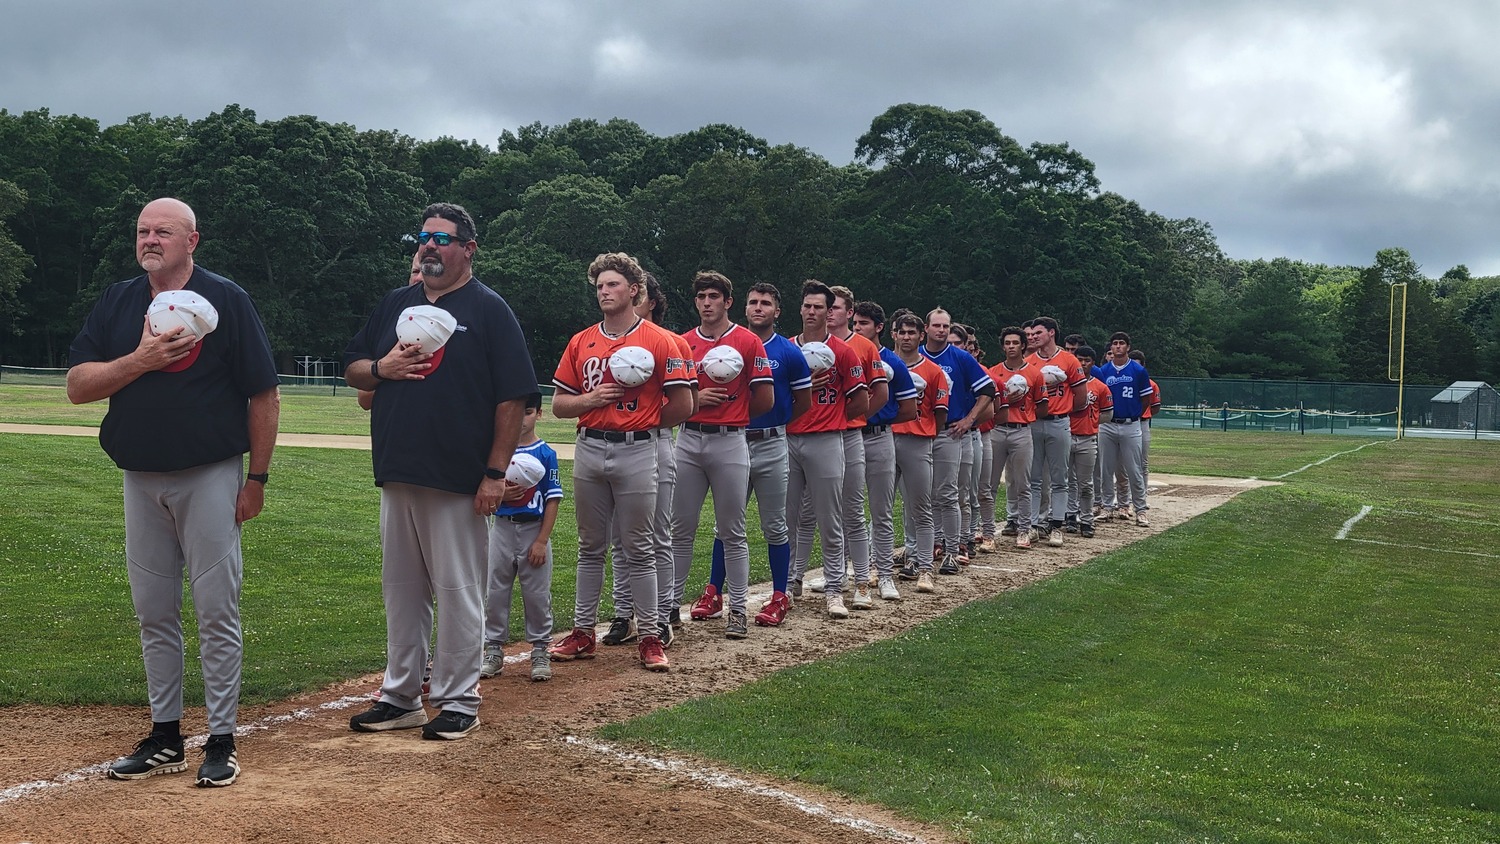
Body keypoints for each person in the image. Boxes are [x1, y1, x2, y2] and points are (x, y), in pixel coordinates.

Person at [69, 197, 280, 787]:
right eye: (142, 230)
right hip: (140, 477)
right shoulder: (118, 300)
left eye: (163, 231)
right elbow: (78, 386)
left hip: (209, 473)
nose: (150, 239)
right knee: (154, 612)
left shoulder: (227, 299)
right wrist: (139, 359)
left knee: (217, 610)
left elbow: (263, 394)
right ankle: (166, 736)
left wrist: (256, 479)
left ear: (193, 240)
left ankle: (221, 739)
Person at [344, 202, 537, 741]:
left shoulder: (489, 309)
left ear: (467, 249)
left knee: (457, 589)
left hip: (458, 476)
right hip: (398, 469)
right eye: (424, 237)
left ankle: (458, 697)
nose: (430, 245)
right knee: (401, 590)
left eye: (442, 239)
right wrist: (385, 368)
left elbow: (512, 398)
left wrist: (495, 472)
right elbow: (356, 366)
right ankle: (401, 695)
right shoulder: (395, 304)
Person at [550, 253, 694, 670]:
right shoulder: (581, 341)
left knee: (639, 548)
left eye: (612, 284)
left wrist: (641, 422)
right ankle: (582, 632)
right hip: (590, 446)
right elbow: (560, 404)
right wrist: (590, 401)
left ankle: (650, 635)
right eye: (599, 286)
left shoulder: (659, 340)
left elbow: (683, 405)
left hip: (637, 448)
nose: (604, 292)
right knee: (590, 546)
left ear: (634, 290)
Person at [695, 282, 812, 627]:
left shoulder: (789, 352)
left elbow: (801, 402)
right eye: (753, 303)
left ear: (777, 311)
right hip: (733, 441)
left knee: (775, 525)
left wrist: (777, 424)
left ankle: (780, 595)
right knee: (725, 525)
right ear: (743, 308)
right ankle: (714, 591)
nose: (758, 308)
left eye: (766, 303)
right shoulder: (730, 344)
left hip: (771, 443)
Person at [669, 271, 773, 640]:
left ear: (728, 301)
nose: (707, 302)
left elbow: (765, 397)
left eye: (714, 296)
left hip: (730, 440)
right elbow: (672, 399)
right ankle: (670, 606)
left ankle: (739, 609)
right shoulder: (682, 342)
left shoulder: (747, 341)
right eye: (701, 297)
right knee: (680, 528)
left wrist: (734, 409)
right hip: (690, 438)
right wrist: (698, 404)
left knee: (733, 529)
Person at [602, 273, 695, 647]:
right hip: (618, 443)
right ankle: (623, 614)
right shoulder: (606, 341)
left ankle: (663, 612)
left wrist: (644, 422)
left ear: (649, 301)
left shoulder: (671, 342)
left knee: (655, 534)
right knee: (620, 537)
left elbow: (686, 401)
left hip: (654, 440)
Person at [787, 280, 869, 616]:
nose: (811, 311)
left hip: (827, 438)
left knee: (830, 517)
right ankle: (789, 583)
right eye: (806, 305)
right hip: (789, 438)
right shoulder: (788, 348)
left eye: (818, 306)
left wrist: (831, 417)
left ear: (829, 311)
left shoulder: (844, 351)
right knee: (787, 518)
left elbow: (860, 400)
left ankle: (834, 587)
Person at [801, 285, 887, 607]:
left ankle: (863, 579)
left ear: (847, 312)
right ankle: (825, 574)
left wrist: (847, 416)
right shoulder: (802, 345)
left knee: (850, 509)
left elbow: (877, 395)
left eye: (836, 307)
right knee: (811, 512)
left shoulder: (861, 347)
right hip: (810, 434)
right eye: (828, 306)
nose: (830, 312)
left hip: (847, 434)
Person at [481, 393, 562, 682]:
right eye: (518, 412)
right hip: (501, 527)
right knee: (496, 590)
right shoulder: (497, 452)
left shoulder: (545, 453)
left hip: (533, 529)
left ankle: (540, 648)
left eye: (528, 412)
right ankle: (494, 648)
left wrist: (541, 540)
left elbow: (552, 499)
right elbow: (485, 492)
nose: (523, 418)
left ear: (539, 414)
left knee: (537, 593)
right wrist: (501, 494)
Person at [919, 308, 995, 574]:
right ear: (926, 328)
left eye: (945, 326)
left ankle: (954, 548)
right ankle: (929, 544)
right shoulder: (916, 355)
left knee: (950, 493)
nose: (941, 330)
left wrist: (969, 419)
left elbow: (987, 390)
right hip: (919, 431)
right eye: (936, 325)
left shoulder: (960, 357)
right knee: (922, 495)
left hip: (950, 431)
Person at [852, 301, 918, 600]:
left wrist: (881, 418)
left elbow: (909, 408)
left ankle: (885, 574)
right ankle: (846, 572)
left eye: (863, 324)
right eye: (854, 323)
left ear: (879, 327)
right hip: (847, 436)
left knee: (881, 509)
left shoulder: (892, 361)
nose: (857, 329)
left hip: (879, 436)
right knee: (844, 510)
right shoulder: (844, 355)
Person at [890, 312, 948, 592]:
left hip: (917, 439)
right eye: (902, 332)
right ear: (894, 334)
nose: (907, 337)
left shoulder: (933, 370)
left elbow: (939, 413)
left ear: (920, 336)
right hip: (886, 438)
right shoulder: (884, 363)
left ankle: (925, 567)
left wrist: (927, 433)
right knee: (881, 507)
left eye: (912, 333)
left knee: (921, 506)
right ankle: (877, 567)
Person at [1023, 316, 1087, 547]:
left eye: (1037, 333)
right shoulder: (1029, 361)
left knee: (1060, 477)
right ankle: (1033, 525)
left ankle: (1056, 525)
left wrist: (1065, 409)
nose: (1032, 337)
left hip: (1059, 421)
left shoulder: (1069, 360)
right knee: (1034, 477)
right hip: (1035, 421)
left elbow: (1081, 395)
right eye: (1030, 334)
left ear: (1051, 333)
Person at [986, 327, 1044, 549]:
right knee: (989, 484)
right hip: (997, 429)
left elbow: (1042, 406)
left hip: (1021, 429)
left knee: (1023, 483)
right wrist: (1006, 400)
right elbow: (988, 403)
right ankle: (988, 531)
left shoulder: (1035, 374)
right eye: (1007, 343)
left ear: (1023, 346)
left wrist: (1024, 415)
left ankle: (1024, 529)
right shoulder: (993, 372)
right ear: (1003, 346)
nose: (1011, 346)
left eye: (1015, 343)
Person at [1096, 333, 1153, 526]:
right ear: (1110, 348)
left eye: (1121, 343)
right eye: (1115, 344)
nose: (1118, 347)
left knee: (1134, 469)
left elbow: (1146, 399)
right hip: (1108, 424)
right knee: (1106, 468)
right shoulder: (1104, 371)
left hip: (1130, 424)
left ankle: (1141, 509)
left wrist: (1135, 413)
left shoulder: (1138, 371)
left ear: (1128, 347)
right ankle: (1107, 507)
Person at [357, 253, 424, 412]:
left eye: (427, 271)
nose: (419, 278)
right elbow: (364, 399)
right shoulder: (394, 321)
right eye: (415, 272)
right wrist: (385, 368)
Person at [1064, 346, 1112, 539]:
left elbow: (1108, 413)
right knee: (1067, 481)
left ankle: (1086, 519)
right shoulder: (1067, 384)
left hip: (1087, 437)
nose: (1083, 364)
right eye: (1080, 360)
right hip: (1066, 435)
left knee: (1086, 483)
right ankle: (1069, 515)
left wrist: (1092, 421)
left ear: (1093, 363)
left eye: (1087, 360)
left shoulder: (1100, 387)